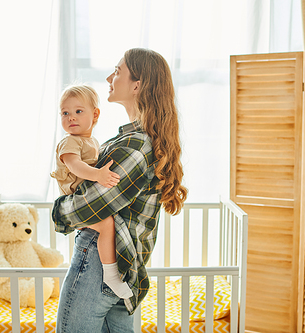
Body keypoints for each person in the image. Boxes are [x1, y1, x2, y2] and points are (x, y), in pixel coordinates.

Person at [52, 48, 188, 333]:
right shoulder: (131, 139)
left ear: (137, 85)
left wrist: (58, 210)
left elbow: (88, 206)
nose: (109, 77)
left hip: (99, 265)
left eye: (117, 71)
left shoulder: (135, 146)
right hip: (122, 266)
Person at [50, 84, 132, 299]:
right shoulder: (69, 141)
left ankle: (116, 268)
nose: (71, 118)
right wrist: (98, 176)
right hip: (75, 200)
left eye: (78, 111)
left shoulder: (92, 141)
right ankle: (111, 275)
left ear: (95, 115)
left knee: (111, 222)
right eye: (65, 113)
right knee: (106, 224)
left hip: (87, 194)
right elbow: (75, 165)